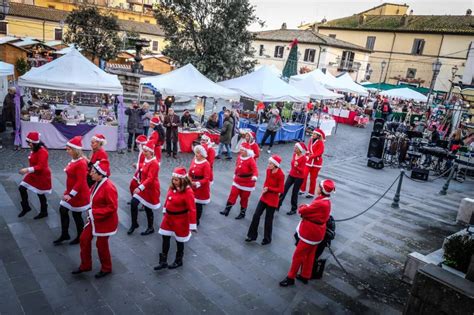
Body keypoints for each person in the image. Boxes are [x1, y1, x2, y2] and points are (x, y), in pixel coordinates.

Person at [279, 179, 335, 287]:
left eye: (318, 186)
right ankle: (305, 275)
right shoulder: (326, 201)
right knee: (310, 254)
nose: (317, 188)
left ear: (321, 190)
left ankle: (290, 277)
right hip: (317, 233)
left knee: (298, 255)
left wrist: (303, 206)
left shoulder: (320, 203)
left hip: (310, 233)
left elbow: (302, 211)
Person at [72, 160, 118, 279]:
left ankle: (106, 268)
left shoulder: (109, 187)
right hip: (95, 219)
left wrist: (94, 212)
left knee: (101, 244)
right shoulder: (97, 183)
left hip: (105, 221)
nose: (90, 174)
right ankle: (86, 265)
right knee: (84, 239)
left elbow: (112, 207)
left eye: (92, 172)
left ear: (100, 174)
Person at [154, 167, 197, 271]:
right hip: (168, 218)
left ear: (182, 180)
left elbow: (192, 209)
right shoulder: (172, 187)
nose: (174, 181)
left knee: (179, 241)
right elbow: (167, 200)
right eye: (173, 179)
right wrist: (165, 210)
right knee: (165, 238)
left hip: (180, 220)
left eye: (176, 180)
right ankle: (163, 261)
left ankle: (178, 260)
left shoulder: (188, 192)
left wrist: (192, 225)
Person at [54, 136, 90, 245]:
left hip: (78, 194)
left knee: (76, 215)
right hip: (71, 192)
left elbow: (80, 181)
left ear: (75, 150)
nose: (67, 151)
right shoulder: (75, 159)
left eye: (69, 149)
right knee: (63, 210)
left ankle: (80, 236)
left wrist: (71, 195)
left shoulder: (81, 163)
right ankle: (65, 234)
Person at [246, 155, 284, 245]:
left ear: (275, 165)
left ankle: (267, 239)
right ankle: (252, 235)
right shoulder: (268, 171)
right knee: (256, 215)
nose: (268, 165)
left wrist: (269, 188)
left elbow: (281, 189)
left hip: (273, 200)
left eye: (270, 163)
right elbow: (266, 182)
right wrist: (264, 188)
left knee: (268, 219)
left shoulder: (281, 174)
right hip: (265, 196)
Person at [128, 140, 160, 236]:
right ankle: (134, 224)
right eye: (144, 151)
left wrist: (140, 187)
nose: (144, 153)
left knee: (148, 208)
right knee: (134, 203)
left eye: (145, 151)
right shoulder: (147, 159)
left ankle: (151, 227)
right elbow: (144, 169)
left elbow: (150, 178)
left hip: (150, 188)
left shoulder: (154, 163)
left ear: (151, 152)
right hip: (143, 186)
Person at [17, 132, 52, 219]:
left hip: (42, 176)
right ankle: (26, 207)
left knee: (40, 194)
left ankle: (44, 212)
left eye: (29, 143)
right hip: (33, 174)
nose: (28, 145)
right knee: (22, 188)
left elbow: (41, 166)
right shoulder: (34, 149)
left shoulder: (43, 151)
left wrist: (26, 170)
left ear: (34, 143)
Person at [220, 143, 258, 219]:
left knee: (244, 198)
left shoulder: (251, 160)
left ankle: (242, 213)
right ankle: (227, 209)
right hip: (237, 180)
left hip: (247, 183)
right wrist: (235, 173)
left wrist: (254, 176)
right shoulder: (239, 157)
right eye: (240, 150)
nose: (240, 151)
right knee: (232, 194)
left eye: (242, 150)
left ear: (247, 151)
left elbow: (255, 170)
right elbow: (237, 166)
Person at [279, 142, 308, 215]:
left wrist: (297, 166)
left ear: (300, 150)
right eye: (294, 147)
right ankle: (278, 204)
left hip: (299, 177)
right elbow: (292, 165)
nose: (294, 149)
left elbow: (302, 171)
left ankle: (293, 209)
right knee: (284, 189)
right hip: (292, 175)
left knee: (294, 193)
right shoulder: (294, 155)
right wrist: (294, 167)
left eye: (296, 148)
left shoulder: (304, 158)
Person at [189, 145, 211, 226]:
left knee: (198, 204)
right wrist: (189, 179)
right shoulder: (194, 160)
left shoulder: (206, 164)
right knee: (191, 202)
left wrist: (197, 183)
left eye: (197, 153)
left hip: (201, 187)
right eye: (195, 152)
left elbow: (206, 178)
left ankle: (196, 219)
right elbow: (190, 171)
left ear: (202, 154)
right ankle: (191, 217)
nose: (196, 154)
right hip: (192, 184)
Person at [300, 129, 325, 199]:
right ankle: (302, 189)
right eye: (313, 134)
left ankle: (311, 193)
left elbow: (319, 153)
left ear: (318, 136)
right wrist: (306, 155)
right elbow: (308, 149)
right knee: (304, 175)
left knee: (313, 178)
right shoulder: (311, 140)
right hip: (309, 161)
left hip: (316, 163)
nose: (312, 135)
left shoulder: (321, 143)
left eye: (314, 134)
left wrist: (310, 156)